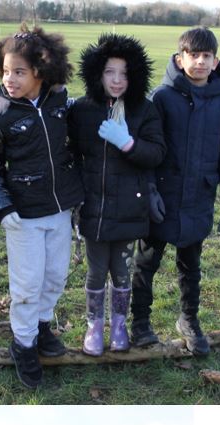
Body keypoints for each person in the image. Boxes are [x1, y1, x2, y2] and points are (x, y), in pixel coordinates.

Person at [0, 24, 83, 389]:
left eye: (19, 72)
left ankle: (41, 325)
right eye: (5, 71)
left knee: (54, 277)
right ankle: (23, 343)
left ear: (41, 70)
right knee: (27, 284)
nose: (10, 79)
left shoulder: (59, 103)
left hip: (60, 209)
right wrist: (3, 209)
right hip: (23, 215)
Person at [129, 26, 220, 355]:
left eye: (207, 56)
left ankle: (189, 319)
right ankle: (140, 323)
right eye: (193, 55)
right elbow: (148, 149)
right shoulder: (161, 98)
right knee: (146, 263)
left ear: (216, 60)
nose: (200, 61)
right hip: (162, 199)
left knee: (191, 266)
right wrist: (149, 190)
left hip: (198, 200)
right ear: (180, 60)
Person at [69, 34, 166, 356]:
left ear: (134, 75)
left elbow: (156, 153)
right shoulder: (83, 110)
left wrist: (128, 143)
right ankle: (94, 326)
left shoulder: (144, 110)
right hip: (94, 208)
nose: (116, 80)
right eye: (110, 72)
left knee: (123, 270)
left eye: (124, 73)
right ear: (97, 72)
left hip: (130, 208)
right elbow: (66, 151)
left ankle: (120, 325)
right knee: (96, 271)